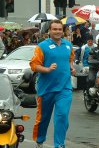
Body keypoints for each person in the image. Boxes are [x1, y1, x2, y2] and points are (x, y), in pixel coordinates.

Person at [29, 19, 76, 148]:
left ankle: (59, 145)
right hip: (46, 89)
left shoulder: (68, 45)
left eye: (59, 29)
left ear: (63, 31)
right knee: (43, 119)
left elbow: (70, 59)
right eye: (54, 29)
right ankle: (39, 140)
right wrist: (47, 69)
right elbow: (34, 65)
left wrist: (71, 67)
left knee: (62, 116)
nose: (57, 31)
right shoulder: (42, 46)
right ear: (49, 31)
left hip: (64, 89)